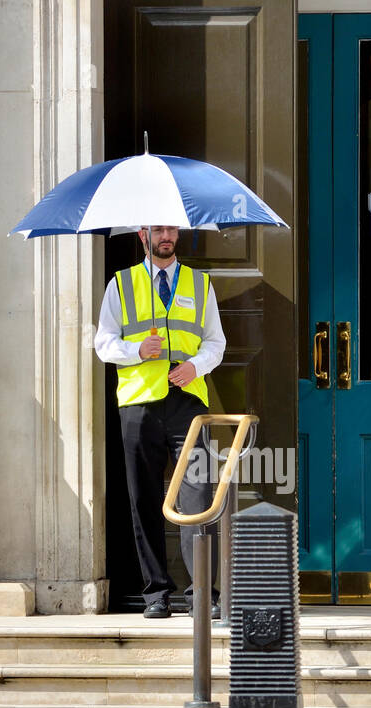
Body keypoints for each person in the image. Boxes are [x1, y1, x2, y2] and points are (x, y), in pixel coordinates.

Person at [94, 225, 225, 619]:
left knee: (199, 498)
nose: (166, 235)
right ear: (142, 235)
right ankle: (156, 594)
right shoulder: (121, 284)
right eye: (157, 229)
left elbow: (216, 342)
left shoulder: (200, 284)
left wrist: (194, 366)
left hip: (187, 402)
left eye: (171, 229)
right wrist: (136, 349)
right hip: (138, 406)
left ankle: (203, 593)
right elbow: (103, 343)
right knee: (143, 500)